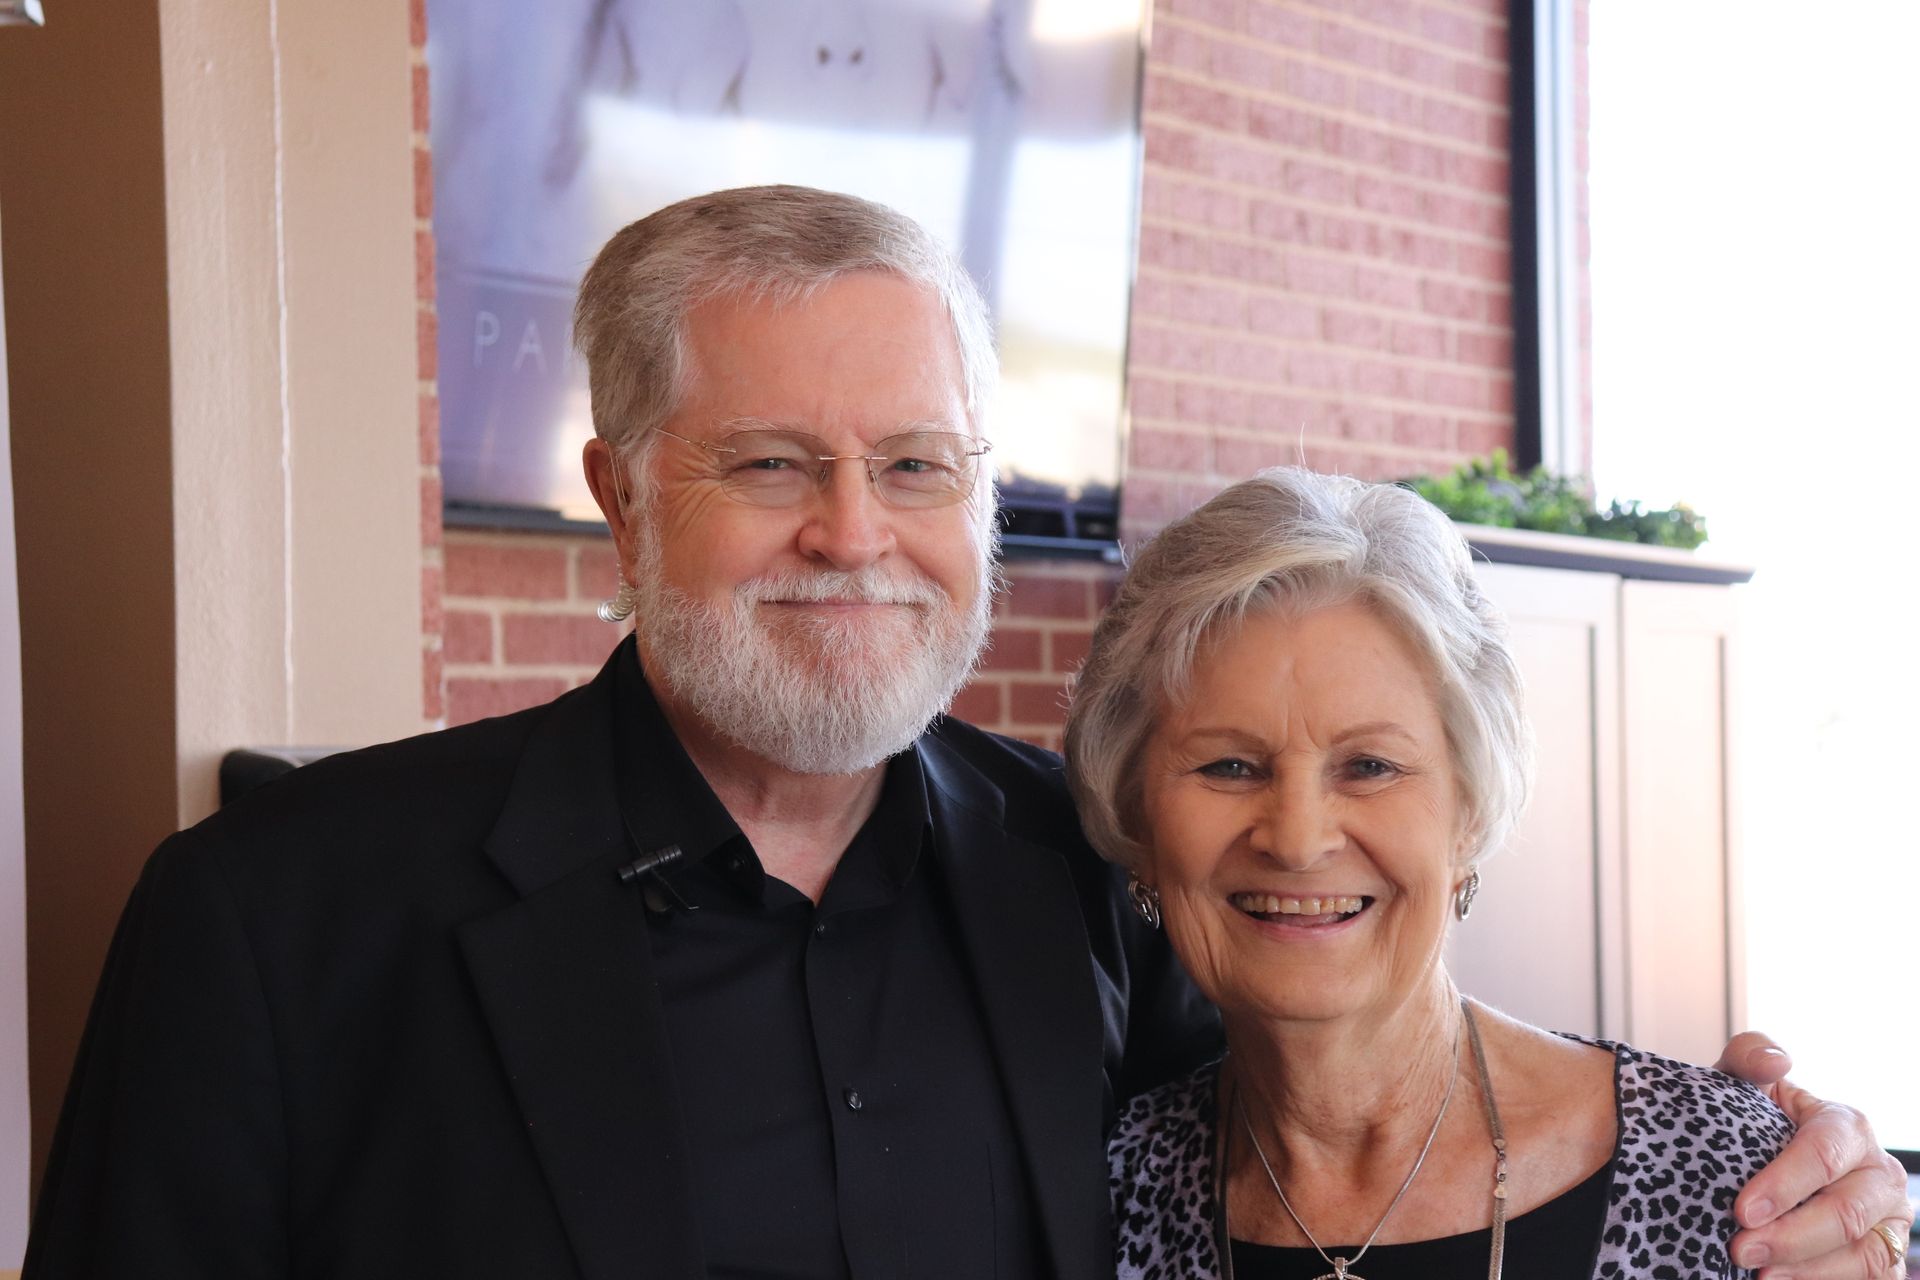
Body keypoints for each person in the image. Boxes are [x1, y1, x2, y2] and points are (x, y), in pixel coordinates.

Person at [22, 187, 1909, 1279]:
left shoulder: (1095, 882)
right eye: (774, 463)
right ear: (619, 489)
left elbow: (1360, 1116)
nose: (857, 533)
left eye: (917, 464)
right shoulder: (271, 921)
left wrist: (1785, 1154)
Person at [1069, 468, 1917, 1279]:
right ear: (1136, 814)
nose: (1296, 839)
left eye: (1369, 766)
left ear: (1470, 811)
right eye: (1227, 766)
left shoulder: (1739, 1188)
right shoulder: (1104, 1192)